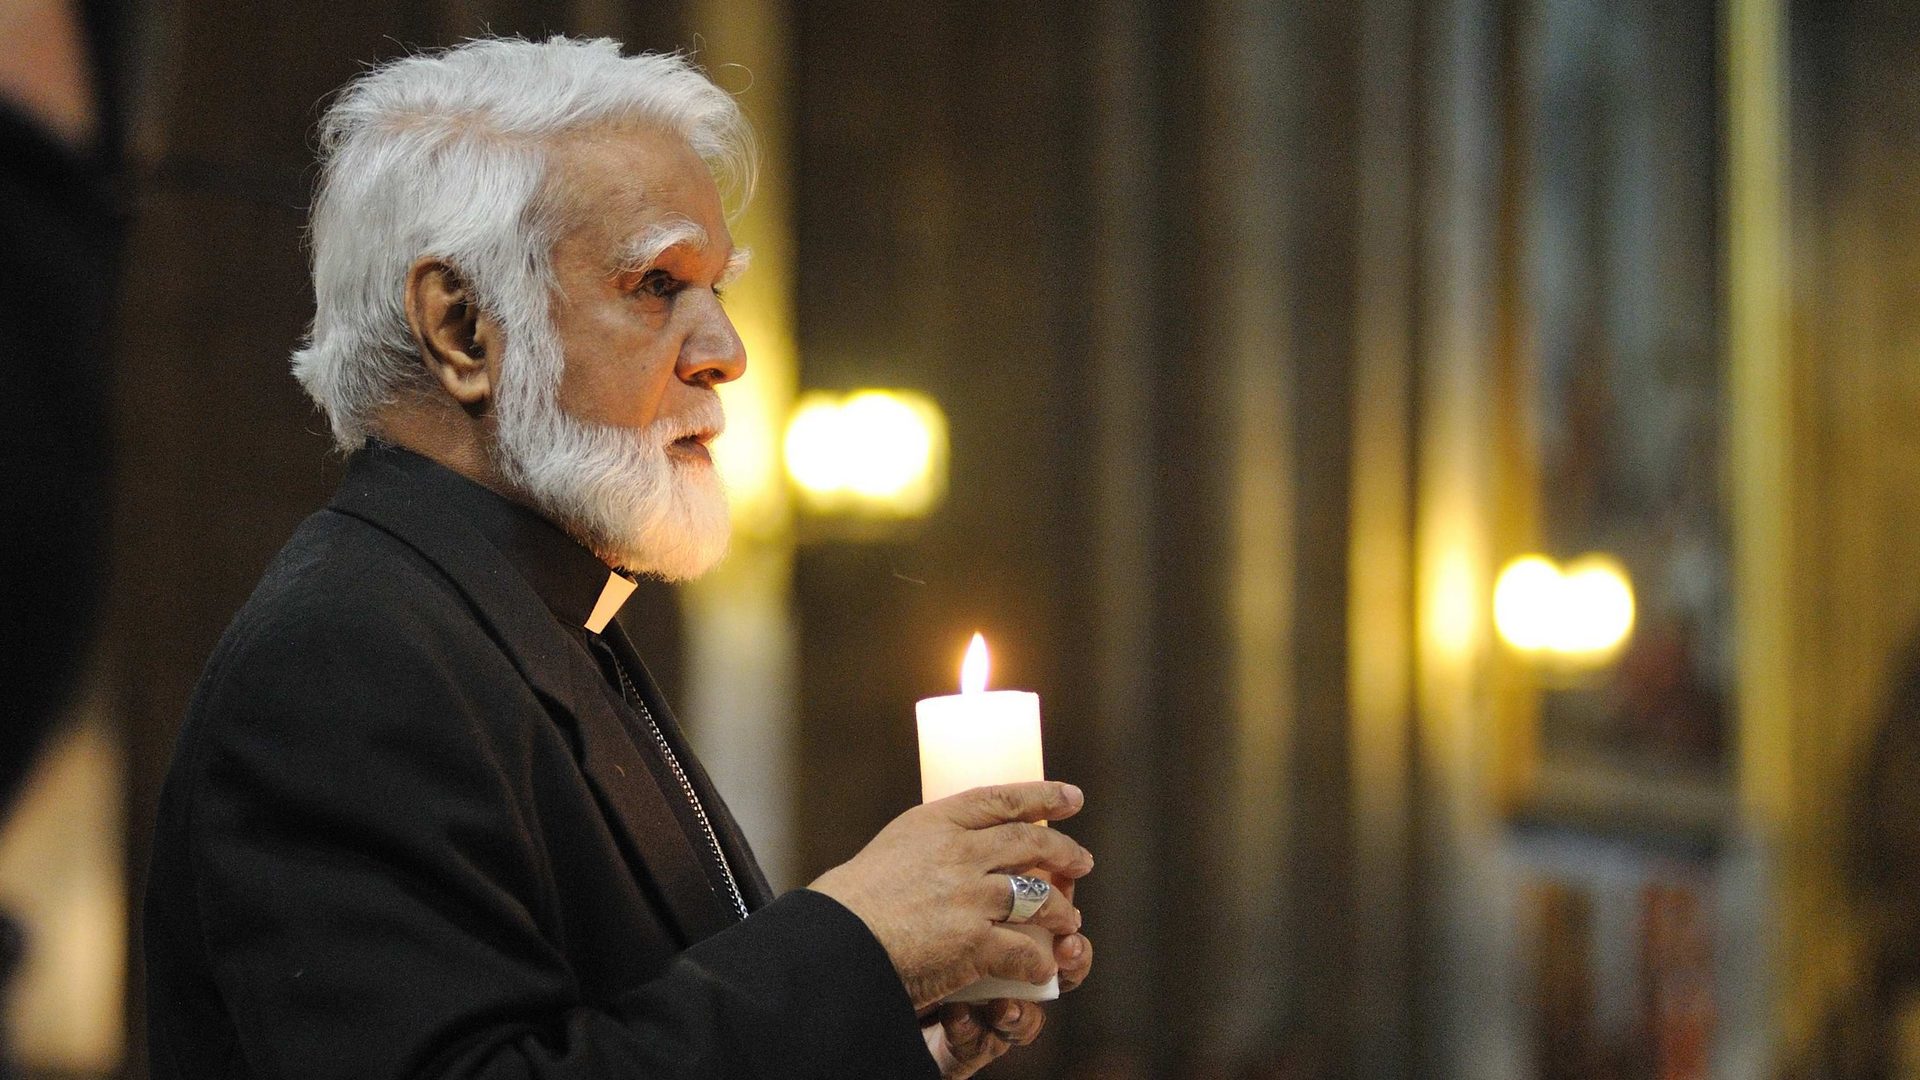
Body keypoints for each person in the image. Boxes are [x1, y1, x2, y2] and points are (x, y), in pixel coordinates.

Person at [141, 36, 1095, 1080]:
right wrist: (855, 943)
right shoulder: (344, 663)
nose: (727, 350)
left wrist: (885, 1024)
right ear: (462, 328)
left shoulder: (528, 620)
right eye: (657, 283)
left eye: (718, 287)